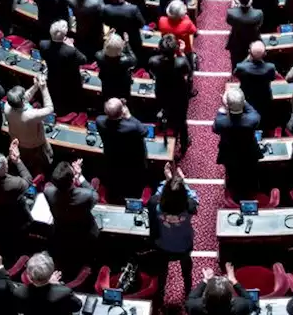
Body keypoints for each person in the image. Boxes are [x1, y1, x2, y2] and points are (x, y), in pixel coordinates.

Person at [147, 163, 199, 311]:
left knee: (162, 271)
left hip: (162, 246)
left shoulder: (155, 206)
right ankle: (188, 288)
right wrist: (182, 181)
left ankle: (161, 292)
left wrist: (168, 180)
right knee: (186, 267)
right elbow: (192, 195)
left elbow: (159, 193)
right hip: (184, 246)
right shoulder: (190, 207)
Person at [43, 162, 99, 275]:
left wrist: (74, 175)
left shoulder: (48, 191)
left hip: (61, 233)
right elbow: (95, 195)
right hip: (85, 234)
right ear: (73, 180)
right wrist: (80, 176)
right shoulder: (86, 196)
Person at [96, 98, 149, 203]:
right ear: (122, 111)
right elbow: (144, 131)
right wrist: (129, 116)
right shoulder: (132, 127)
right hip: (133, 162)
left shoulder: (99, 121)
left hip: (112, 160)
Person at [214, 87, 262, 200]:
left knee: (232, 173)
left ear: (228, 105)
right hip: (249, 152)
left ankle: (233, 191)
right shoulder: (253, 119)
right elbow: (252, 111)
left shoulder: (221, 121)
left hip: (229, 154)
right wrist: (241, 102)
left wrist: (224, 108)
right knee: (250, 170)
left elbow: (215, 129)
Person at [150, 35, 194, 152]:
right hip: (179, 94)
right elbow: (189, 72)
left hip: (162, 91)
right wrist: (183, 53)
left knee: (164, 109)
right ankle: (184, 142)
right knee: (181, 119)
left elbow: (153, 72)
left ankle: (164, 123)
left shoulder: (153, 61)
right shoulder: (181, 62)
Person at [5, 79, 55, 178]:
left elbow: (24, 98)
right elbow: (50, 108)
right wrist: (43, 88)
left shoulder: (7, 106)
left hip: (19, 143)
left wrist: (35, 86)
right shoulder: (30, 115)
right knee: (43, 163)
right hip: (36, 146)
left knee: (25, 161)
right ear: (22, 100)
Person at [234, 41, 278, 126]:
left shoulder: (241, 67)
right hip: (264, 98)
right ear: (265, 54)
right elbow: (273, 78)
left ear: (249, 53)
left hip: (247, 98)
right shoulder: (270, 67)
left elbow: (235, 74)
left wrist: (247, 58)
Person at [225, 0, 264, 69]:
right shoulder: (258, 13)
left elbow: (229, 22)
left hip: (236, 41)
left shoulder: (231, 13)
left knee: (235, 62)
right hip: (253, 42)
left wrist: (235, 7)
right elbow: (259, 24)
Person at [185, 272, 255, 315]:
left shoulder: (195, 306)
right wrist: (234, 281)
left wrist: (205, 280)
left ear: (205, 295)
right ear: (231, 298)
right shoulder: (241, 306)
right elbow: (250, 301)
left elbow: (191, 298)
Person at [95, 34, 136, 102]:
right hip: (123, 87)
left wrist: (108, 41)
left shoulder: (98, 56)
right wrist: (127, 43)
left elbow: (104, 50)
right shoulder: (127, 61)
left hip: (106, 84)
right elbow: (134, 59)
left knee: (107, 99)